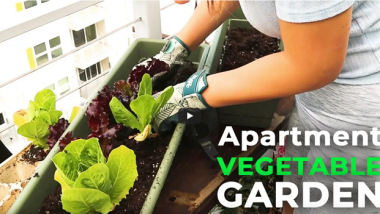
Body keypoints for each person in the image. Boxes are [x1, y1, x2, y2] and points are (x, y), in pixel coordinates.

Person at [143, 1, 380, 214]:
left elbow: (313, 66)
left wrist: (193, 94)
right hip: (315, 95)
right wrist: (177, 47)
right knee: (294, 188)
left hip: (362, 112)